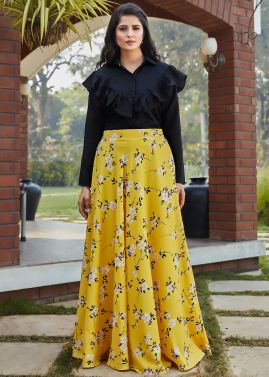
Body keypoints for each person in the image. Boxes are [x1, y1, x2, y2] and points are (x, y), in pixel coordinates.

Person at [72, 2, 212, 375]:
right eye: (122, 28)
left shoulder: (164, 75)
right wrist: (85, 183)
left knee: (158, 244)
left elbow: (174, 130)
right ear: (114, 34)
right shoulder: (101, 78)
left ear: (144, 32)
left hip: (155, 168)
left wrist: (179, 177)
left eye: (135, 28)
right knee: (112, 243)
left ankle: (162, 335)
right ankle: (109, 338)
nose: (129, 34)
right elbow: (91, 135)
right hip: (110, 168)